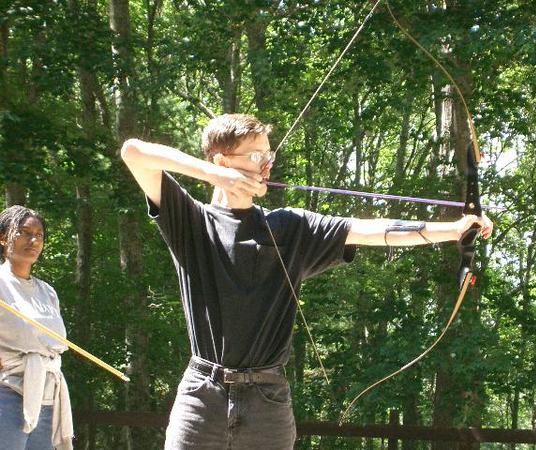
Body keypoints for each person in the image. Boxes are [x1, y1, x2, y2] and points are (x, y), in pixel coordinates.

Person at [120, 113, 493, 450]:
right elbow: (134, 152)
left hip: (267, 403)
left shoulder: (290, 227)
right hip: (202, 397)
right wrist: (213, 176)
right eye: (254, 155)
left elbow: (371, 231)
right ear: (221, 159)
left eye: (268, 155)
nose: (266, 164)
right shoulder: (192, 222)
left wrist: (454, 229)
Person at [0, 205, 73, 450]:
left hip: (47, 397)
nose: (33, 240)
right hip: (6, 394)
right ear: (3, 238)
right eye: (24, 232)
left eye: (39, 235)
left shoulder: (47, 292)